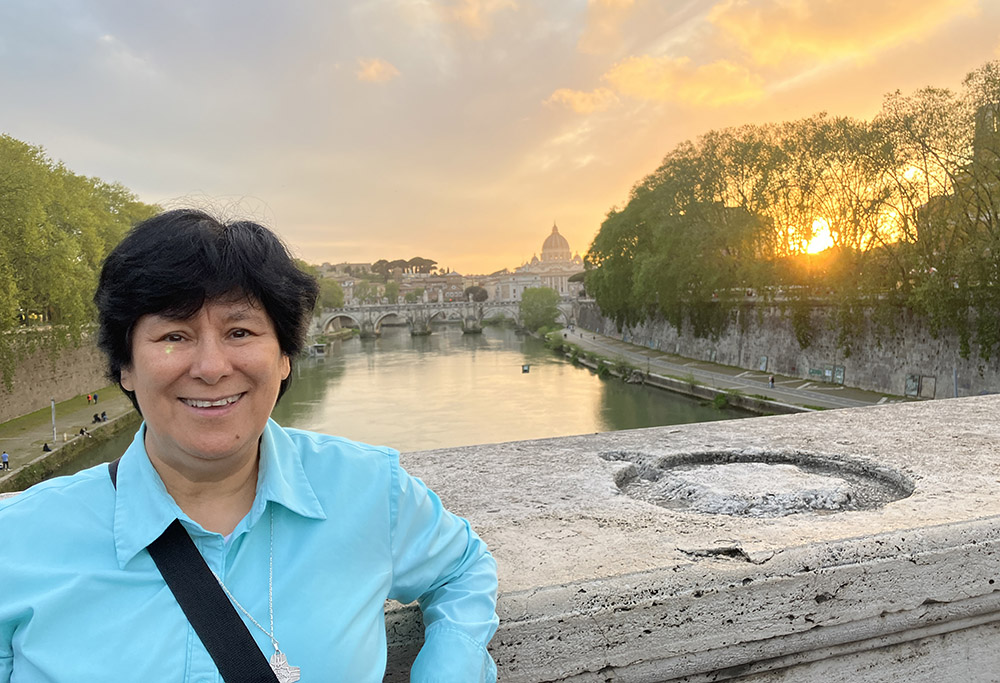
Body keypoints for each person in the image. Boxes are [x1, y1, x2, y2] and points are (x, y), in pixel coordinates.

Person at [0, 209, 498, 682]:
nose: (212, 367)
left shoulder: (368, 490)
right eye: (174, 335)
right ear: (126, 367)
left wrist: (449, 669)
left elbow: (463, 567)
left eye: (240, 331)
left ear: (284, 357)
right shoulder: (19, 543)